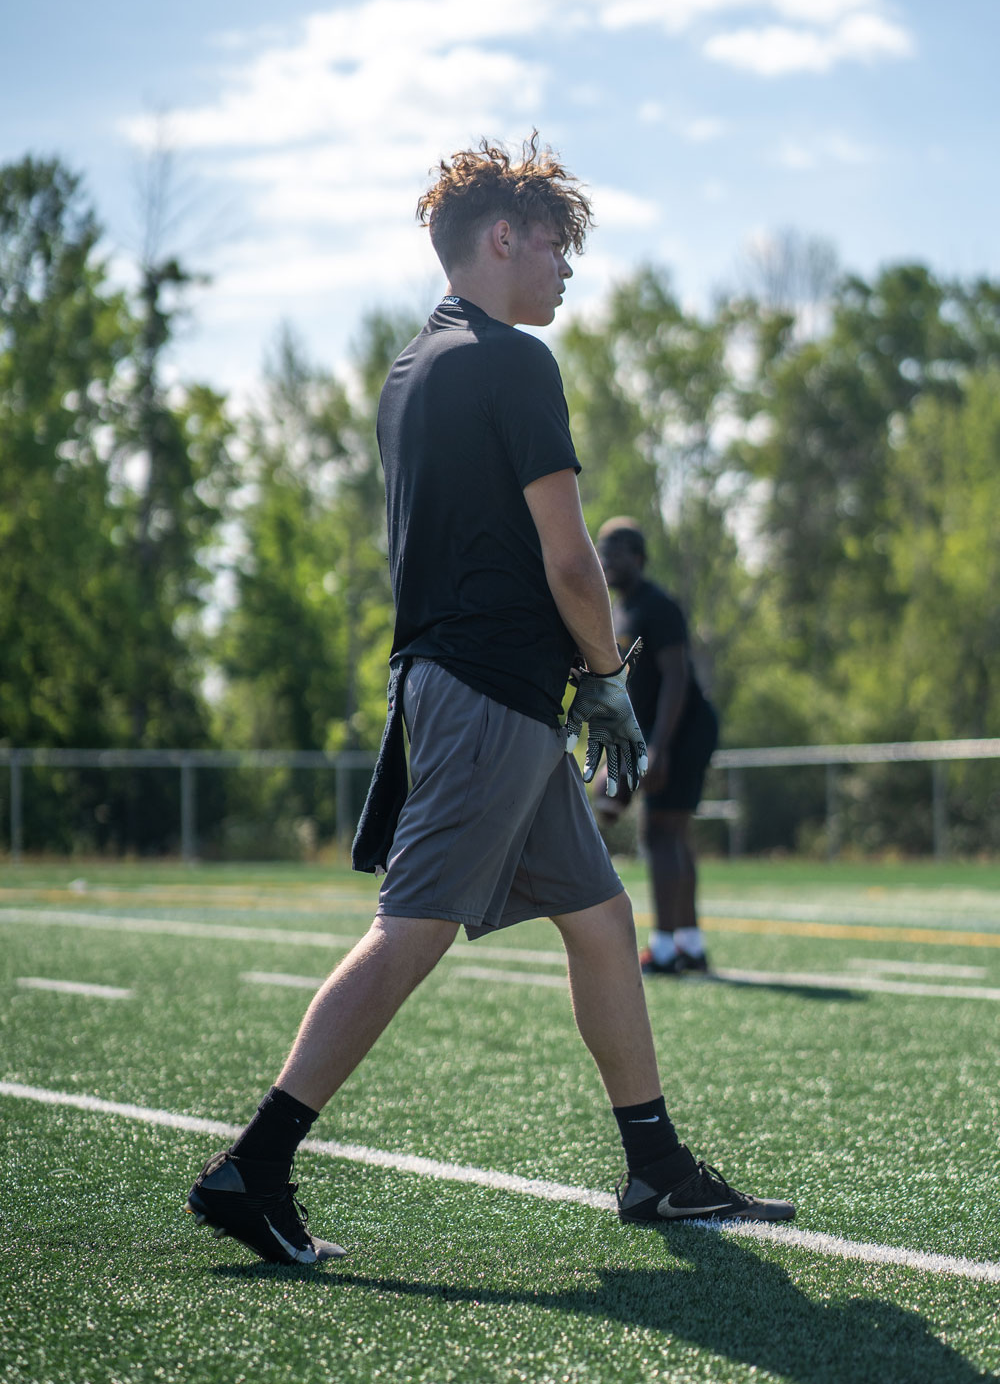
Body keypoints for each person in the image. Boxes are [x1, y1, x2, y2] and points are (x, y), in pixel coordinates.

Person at [184, 135, 794, 1266]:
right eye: (556, 245)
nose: (566, 268)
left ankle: (656, 1167)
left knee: (601, 919)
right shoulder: (514, 361)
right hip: (490, 697)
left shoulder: (413, 366)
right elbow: (569, 560)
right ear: (502, 237)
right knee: (410, 928)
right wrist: (605, 678)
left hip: (465, 689)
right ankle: (254, 1165)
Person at [596, 519, 719, 976]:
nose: (606, 560)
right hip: (654, 732)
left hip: (682, 729)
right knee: (671, 834)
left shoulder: (657, 605)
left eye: (615, 552)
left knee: (661, 833)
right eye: (602, 551)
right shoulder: (619, 610)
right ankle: (690, 944)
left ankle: (665, 950)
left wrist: (660, 747)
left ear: (639, 557)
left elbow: (676, 678)